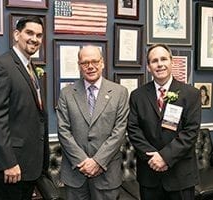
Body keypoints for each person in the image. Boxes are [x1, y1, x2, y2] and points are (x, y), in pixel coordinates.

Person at [0, 16, 49, 200]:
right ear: (17, 34)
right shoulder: (1, 66)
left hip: (27, 164)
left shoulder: (29, 67)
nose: (35, 39)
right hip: (9, 167)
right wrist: (8, 162)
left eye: (39, 35)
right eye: (29, 33)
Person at [127, 44, 201, 200]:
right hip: (149, 173)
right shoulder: (137, 95)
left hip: (180, 175)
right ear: (148, 67)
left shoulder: (191, 94)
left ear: (172, 62)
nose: (159, 64)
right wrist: (154, 158)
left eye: (163, 59)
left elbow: (190, 132)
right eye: (154, 61)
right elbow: (133, 130)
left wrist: (165, 157)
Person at [56, 45, 129, 200]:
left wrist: (98, 161)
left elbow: (119, 131)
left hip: (107, 174)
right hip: (76, 174)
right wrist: (83, 161)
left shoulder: (119, 92)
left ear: (102, 63)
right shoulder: (67, 93)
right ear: (79, 66)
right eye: (85, 63)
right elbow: (63, 131)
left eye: (95, 61)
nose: (90, 66)